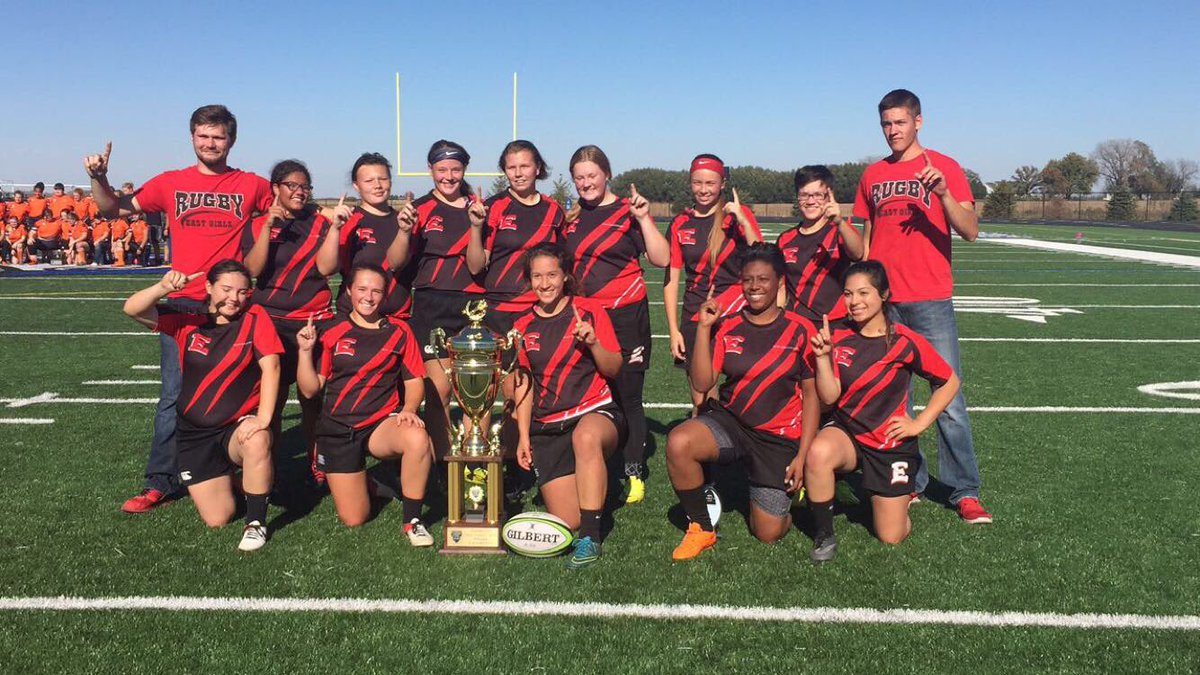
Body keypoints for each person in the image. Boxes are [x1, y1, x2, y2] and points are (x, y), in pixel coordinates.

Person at [84, 104, 274, 514]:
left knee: (247, 389)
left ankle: (247, 467)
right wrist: (99, 178)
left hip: (235, 304)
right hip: (187, 303)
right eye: (203, 135)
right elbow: (112, 209)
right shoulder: (170, 182)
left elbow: (291, 208)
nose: (211, 143)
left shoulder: (252, 184)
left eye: (218, 136)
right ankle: (160, 480)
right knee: (175, 393)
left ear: (232, 140)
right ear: (192, 137)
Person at [852, 88, 991, 523]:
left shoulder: (945, 166)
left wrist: (944, 194)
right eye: (886, 124)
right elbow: (867, 242)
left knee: (949, 399)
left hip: (930, 297)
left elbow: (970, 230)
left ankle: (964, 490)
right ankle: (909, 481)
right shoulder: (872, 175)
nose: (893, 130)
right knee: (893, 401)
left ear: (918, 122)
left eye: (900, 122)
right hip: (885, 303)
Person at [666, 243, 819, 561]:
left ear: (779, 282)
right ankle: (701, 528)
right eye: (748, 280)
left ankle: (788, 501)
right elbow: (702, 383)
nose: (754, 287)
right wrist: (704, 329)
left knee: (768, 533)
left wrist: (803, 456)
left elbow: (812, 398)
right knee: (680, 442)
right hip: (732, 423)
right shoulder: (729, 325)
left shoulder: (800, 329)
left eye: (763, 279)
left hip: (777, 438)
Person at [805, 260, 961, 563]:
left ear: (884, 295)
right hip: (848, 432)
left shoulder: (903, 340)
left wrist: (919, 424)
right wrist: (822, 358)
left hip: (888, 444)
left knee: (891, 536)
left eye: (863, 293)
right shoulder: (837, 334)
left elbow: (949, 381)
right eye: (848, 294)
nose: (854, 301)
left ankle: (888, 498)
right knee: (818, 453)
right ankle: (824, 534)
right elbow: (830, 395)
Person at [123, 261, 282, 551]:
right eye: (226, 289)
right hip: (194, 435)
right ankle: (236, 479)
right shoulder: (188, 319)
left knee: (257, 439)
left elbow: (271, 366)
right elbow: (132, 309)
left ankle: (256, 522)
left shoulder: (255, 318)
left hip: (233, 430)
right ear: (209, 287)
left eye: (242, 292)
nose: (234, 298)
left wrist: (263, 419)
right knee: (218, 518)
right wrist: (162, 288)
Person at [560, 145, 670, 504]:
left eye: (592, 175)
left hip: (626, 315)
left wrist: (644, 219)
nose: (586, 183)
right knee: (588, 393)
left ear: (607, 174)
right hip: (586, 317)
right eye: (579, 177)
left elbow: (661, 258)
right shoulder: (571, 218)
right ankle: (591, 461)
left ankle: (633, 470)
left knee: (628, 394)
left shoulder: (627, 211)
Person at [295, 264, 434, 544]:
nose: (368, 297)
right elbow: (310, 390)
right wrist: (305, 352)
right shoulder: (332, 331)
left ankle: (413, 521)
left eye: (376, 291)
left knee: (417, 438)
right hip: (337, 429)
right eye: (362, 289)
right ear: (348, 291)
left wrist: (409, 409)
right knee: (355, 518)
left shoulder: (400, 331)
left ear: (384, 295)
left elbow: (414, 381)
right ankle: (373, 484)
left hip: (379, 425)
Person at [512, 244, 625, 569]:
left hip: (595, 412)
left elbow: (614, 368)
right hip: (549, 425)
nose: (544, 283)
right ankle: (597, 491)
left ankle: (591, 538)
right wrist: (523, 437)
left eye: (552, 275)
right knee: (568, 520)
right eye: (537, 276)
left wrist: (593, 343)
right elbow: (524, 384)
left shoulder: (588, 311)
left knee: (586, 437)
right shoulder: (522, 325)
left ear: (565, 277)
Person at [243, 159, 350, 483]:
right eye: (292, 185)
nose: (300, 192)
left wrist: (335, 228)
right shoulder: (256, 224)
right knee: (270, 401)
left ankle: (317, 461)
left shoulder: (319, 223)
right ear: (275, 187)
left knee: (312, 399)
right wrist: (267, 227)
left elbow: (326, 268)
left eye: (305, 187)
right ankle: (268, 463)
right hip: (269, 323)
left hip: (311, 322)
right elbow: (253, 270)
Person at [406, 140, 487, 458]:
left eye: (456, 169)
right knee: (438, 390)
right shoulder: (420, 209)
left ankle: (474, 461)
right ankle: (441, 462)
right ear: (430, 170)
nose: (449, 176)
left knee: (473, 392)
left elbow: (477, 266)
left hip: (472, 305)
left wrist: (476, 226)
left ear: (464, 169)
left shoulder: (479, 208)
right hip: (432, 305)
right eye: (442, 169)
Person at [663, 154, 761, 410]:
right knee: (701, 397)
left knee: (742, 390)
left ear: (722, 184)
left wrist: (742, 220)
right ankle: (704, 434)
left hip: (736, 312)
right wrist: (673, 330)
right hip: (695, 315)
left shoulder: (737, 216)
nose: (704, 190)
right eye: (698, 183)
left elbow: (762, 258)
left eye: (710, 183)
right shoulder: (680, 223)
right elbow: (671, 280)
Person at [336, 152, 418, 322]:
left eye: (383, 179)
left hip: (396, 318)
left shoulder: (405, 221)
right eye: (369, 181)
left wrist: (404, 231)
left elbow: (398, 265)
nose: (378, 185)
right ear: (356, 185)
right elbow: (328, 268)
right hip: (355, 318)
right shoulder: (348, 221)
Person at [777, 165, 864, 322]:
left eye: (818, 195)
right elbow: (781, 287)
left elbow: (858, 253)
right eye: (804, 195)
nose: (810, 201)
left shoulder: (839, 231)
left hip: (835, 323)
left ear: (829, 197)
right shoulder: (785, 239)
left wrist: (840, 222)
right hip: (797, 323)